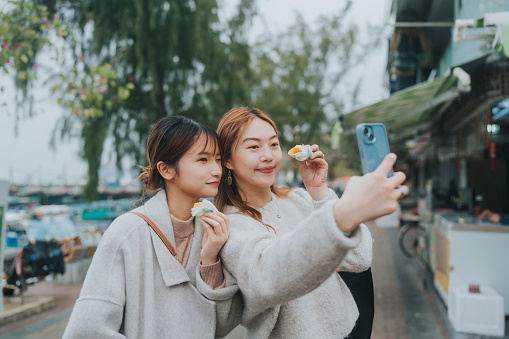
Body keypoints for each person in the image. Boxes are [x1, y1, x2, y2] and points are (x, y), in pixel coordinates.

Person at [213, 107, 409, 338]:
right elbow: (268, 276)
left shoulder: (299, 198)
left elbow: (360, 259)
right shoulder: (230, 224)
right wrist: (344, 214)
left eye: (274, 144)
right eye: (254, 146)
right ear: (227, 160)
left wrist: (319, 191)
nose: (268, 155)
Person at [63, 116, 242, 338]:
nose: (217, 170)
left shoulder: (214, 230)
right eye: (203, 160)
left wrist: (210, 261)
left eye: (217, 159)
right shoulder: (127, 232)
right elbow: (86, 330)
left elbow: (222, 325)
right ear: (166, 170)